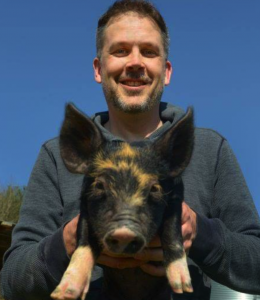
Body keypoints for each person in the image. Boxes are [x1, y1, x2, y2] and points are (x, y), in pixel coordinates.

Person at [1, 0, 260, 299]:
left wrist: (198, 233)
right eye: (120, 50)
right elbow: (12, 279)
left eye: (149, 52)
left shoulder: (209, 149)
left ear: (166, 71)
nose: (135, 62)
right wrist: (71, 240)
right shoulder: (55, 156)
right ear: (99, 68)